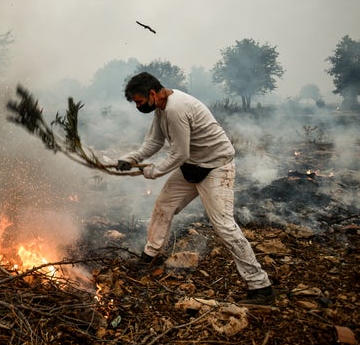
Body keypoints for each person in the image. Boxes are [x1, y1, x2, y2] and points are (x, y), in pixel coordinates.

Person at [116, 72, 275, 305]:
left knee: (224, 226)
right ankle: (150, 257)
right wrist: (131, 158)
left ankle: (261, 286)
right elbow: (154, 142)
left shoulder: (176, 109)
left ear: (152, 93)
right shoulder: (161, 107)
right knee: (164, 206)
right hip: (193, 166)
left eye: (139, 101)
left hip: (216, 166)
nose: (138, 106)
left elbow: (180, 153)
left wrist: (154, 172)